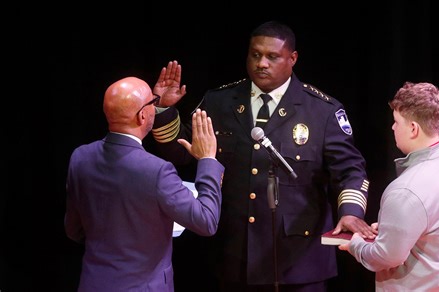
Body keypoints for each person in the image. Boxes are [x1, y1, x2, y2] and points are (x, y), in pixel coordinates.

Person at [150, 20, 376, 292]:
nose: (261, 63)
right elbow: (181, 151)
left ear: (292, 58)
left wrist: (350, 212)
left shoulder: (321, 110)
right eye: (255, 55)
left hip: (298, 259)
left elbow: (350, 170)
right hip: (235, 256)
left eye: (272, 57)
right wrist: (163, 109)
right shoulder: (220, 101)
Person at [64, 76, 225, 291]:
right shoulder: (157, 170)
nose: (155, 106)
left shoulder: (80, 157)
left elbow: (73, 229)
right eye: (152, 103)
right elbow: (206, 221)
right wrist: (207, 160)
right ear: (142, 115)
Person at [339, 81, 439, 291]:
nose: (393, 127)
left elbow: (385, 257)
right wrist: (391, 231)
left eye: (396, 121)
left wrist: (356, 244)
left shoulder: (405, 190)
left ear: (413, 128)